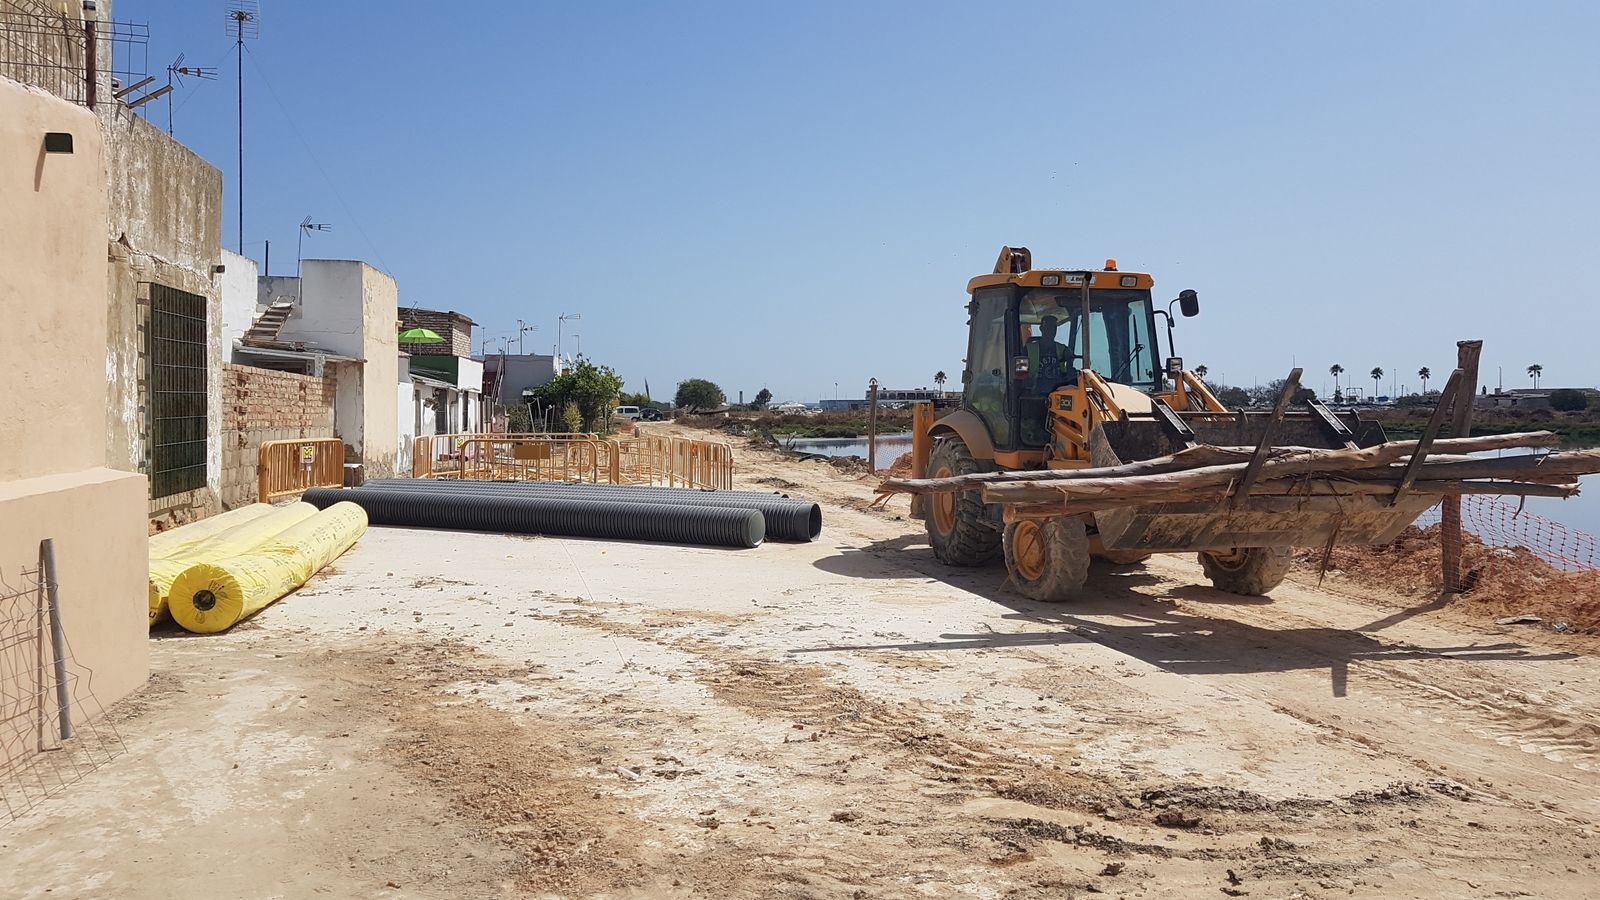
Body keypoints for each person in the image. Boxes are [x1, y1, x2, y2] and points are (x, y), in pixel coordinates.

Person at [1025, 315, 1075, 393]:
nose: (1051, 330)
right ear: (1041, 329)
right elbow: (1021, 375)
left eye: (1053, 328)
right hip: (1035, 392)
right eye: (1048, 327)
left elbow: (1069, 370)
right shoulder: (1028, 349)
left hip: (1058, 391)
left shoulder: (1063, 349)